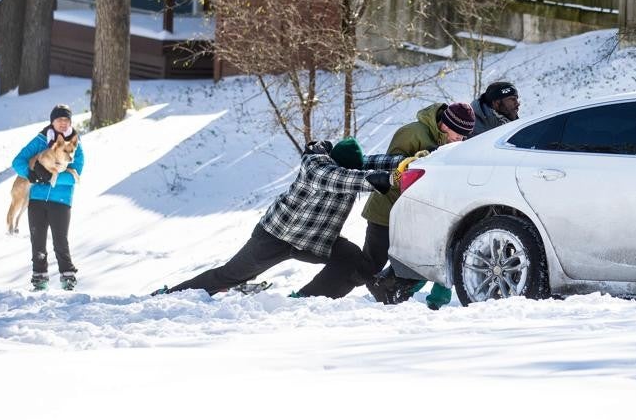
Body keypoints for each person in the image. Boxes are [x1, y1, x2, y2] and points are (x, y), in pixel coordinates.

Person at [160, 138, 403, 299]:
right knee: (232, 274)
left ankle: (307, 300)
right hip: (276, 236)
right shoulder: (317, 167)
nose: (354, 172)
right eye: (350, 169)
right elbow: (341, 178)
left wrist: (410, 163)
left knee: (350, 257)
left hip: (314, 241)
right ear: (336, 161)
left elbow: (376, 162)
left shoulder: (351, 167)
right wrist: (385, 179)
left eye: (356, 169)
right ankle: (173, 295)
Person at [362, 102, 476, 309]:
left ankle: (393, 294)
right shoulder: (411, 133)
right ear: (445, 124)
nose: (460, 141)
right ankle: (331, 294)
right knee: (371, 263)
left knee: (417, 257)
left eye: (463, 138)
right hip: (386, 207)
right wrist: (417, 161)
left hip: (418, 212)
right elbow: (389, 166)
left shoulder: (454, 143)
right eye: (457, 136)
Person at [12, 104, 85, 291]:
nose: (62, 123)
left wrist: (53, 176)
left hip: (61, 200)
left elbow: (75, 174)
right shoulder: (40, 140)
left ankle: (68, 278)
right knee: (37, 241)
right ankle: (39, 280)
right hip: (36, 199)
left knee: (60, 241)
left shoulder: (75, 146)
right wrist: (31, 174)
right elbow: (17, 162)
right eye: (59, 119)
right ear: (52, 121)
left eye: (66, 120)